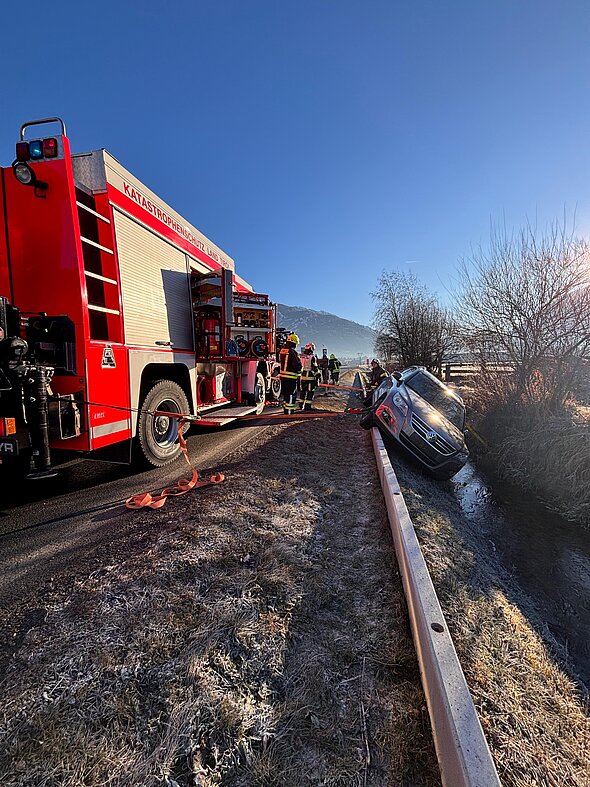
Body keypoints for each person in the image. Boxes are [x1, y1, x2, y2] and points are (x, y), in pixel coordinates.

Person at [279, 333, 302, 414]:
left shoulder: (282, 351)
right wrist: (299, 370)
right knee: (291, 394)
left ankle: (286, 410)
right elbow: (296, 364)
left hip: (283, 377)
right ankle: (290, 411)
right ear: (293, 343)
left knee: (285, 394)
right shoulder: (292, 352)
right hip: (291, 378)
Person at [299, 342, 319, 410]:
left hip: (302, 377)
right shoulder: (312, 357)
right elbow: (315, 367)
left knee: (303, 392)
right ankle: (307, 407)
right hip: (310, 377)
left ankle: (300, 405)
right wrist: (318, 375)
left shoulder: (301, 356)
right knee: (310, 392)